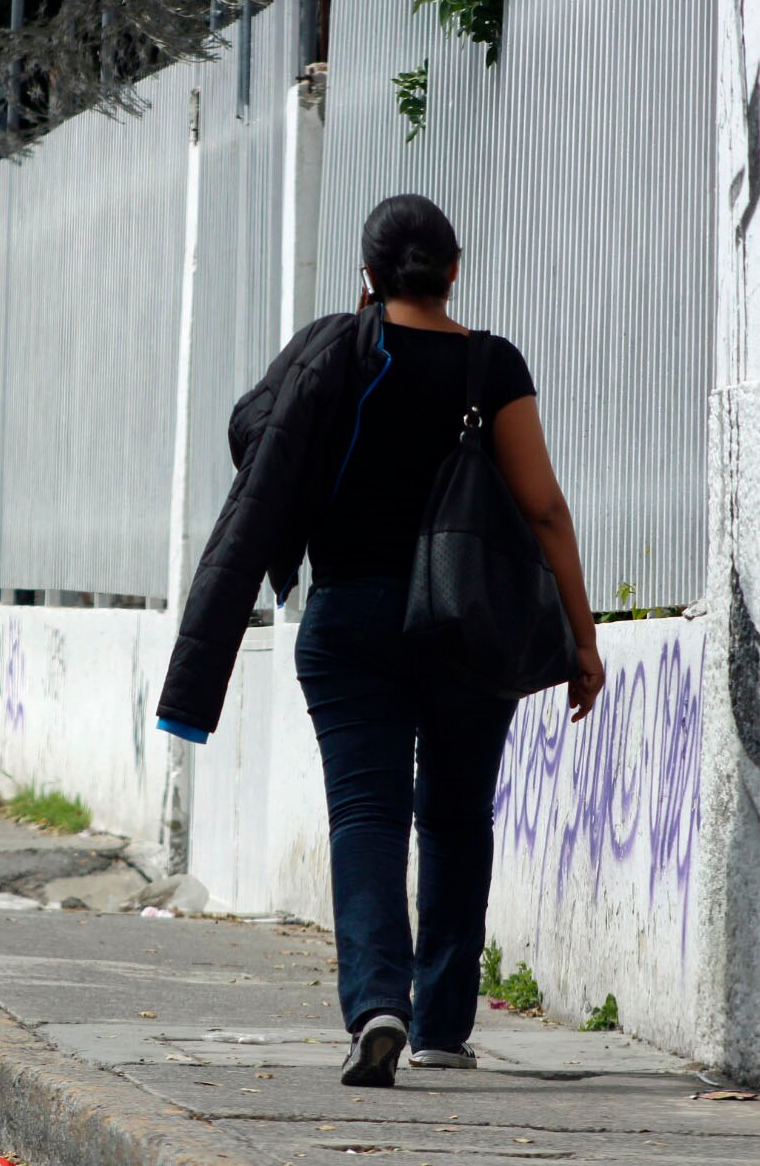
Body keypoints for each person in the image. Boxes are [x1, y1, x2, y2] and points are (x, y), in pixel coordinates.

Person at [155, 194, 604, 1088]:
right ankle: (442, 1026)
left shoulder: (339, 353)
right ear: (455, 268)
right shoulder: (490, 365)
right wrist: (581, 640)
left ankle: (376, 1005)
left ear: (367, 275)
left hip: (350, 621)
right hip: (466, 623)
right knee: (455, 815)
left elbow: (254, 432)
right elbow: (544, 508)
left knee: (366, 814)